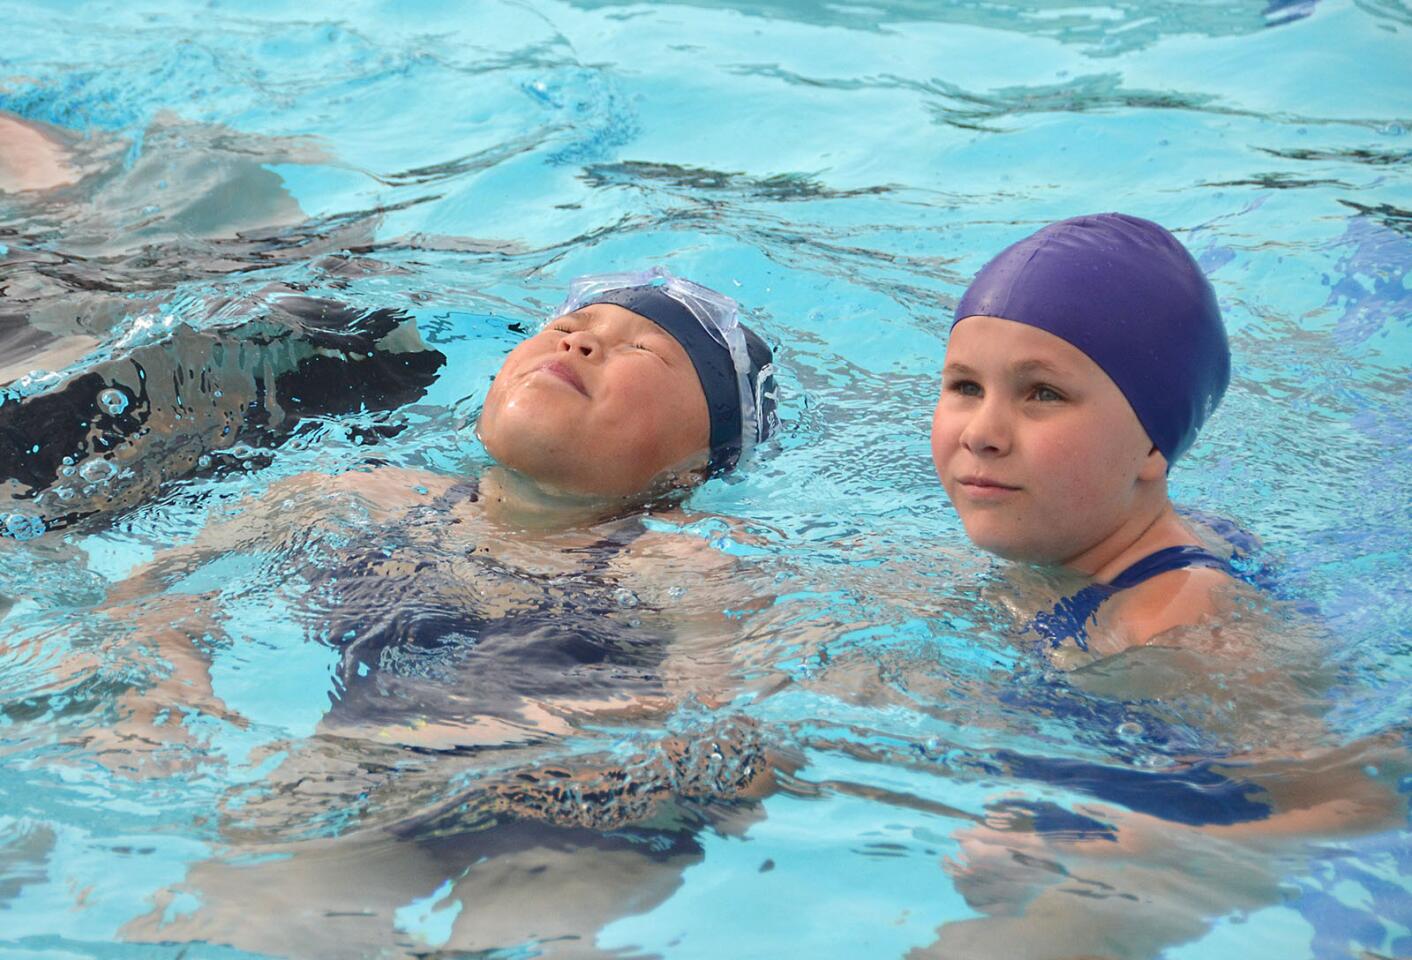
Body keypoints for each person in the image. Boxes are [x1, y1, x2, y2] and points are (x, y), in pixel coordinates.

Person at [931, 212, 1237, 655]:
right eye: (967, 386)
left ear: (1153, 443)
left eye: (1043, 394)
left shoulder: (1176, 630)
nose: (981, 434)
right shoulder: (1081, 549)